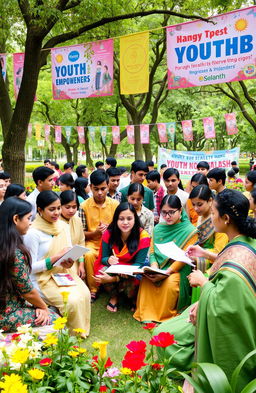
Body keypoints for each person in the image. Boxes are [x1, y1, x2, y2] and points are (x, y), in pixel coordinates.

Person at [155, 189, 256, 392]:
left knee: (161, 335)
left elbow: (226, 308)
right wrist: (206, 255)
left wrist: (202, 282)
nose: (211, 217)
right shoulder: (246, 240)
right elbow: (227, 265)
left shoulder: (235, 257)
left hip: (226, 325)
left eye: (214, 213)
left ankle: (196, 364)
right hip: (211, 306)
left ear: (225, 218)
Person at [24, 191, 90, 337]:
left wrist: (68, 260)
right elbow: (29, 268)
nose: (57, 213)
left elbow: (65, 251)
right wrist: (54, 259)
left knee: (84, 293)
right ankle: (72, 334)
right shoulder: (33, 232)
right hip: (41, 279)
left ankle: (81, 329)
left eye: (59, 208)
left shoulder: (62, 226)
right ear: (40, 210)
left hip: (61, 272)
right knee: (72, 300)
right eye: (52, 209)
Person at [133, 195, 198, 323]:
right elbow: (152, 251)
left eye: (171, 212)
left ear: (180, 211)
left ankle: (166, 316)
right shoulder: (158, 228)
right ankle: (146, 313)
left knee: (169, 284)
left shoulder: (190, 231)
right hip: (159, 268)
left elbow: (184, 257)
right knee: (147, 280)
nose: (167, 216)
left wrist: (166, 273)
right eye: (164, 212)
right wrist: (155, 268)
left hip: (179, 270)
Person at [0, 197, 58, 333]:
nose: (30, 223)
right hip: (6, 313)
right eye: (28, 218)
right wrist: (43, 307)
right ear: (15, 219)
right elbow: (28, 292)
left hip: (8, 303)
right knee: (54, 319)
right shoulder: (13, 253)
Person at [94, 202, 150, 312]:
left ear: (135, 219)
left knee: (131, 289)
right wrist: (109, 259)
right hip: (115, 267)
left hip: (132, 270)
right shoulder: (109, 234)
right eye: (121, 219)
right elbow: (103, 258)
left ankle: (133, 298)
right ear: (116, 220)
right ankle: (114, 296)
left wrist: (114, 278)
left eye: (129, 219)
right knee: (101, 272)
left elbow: (138, 264)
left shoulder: (143, 237)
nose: (125, 223)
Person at [78, 170, 119, 301]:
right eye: (96, 189)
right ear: (90, 187)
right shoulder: (84, 206)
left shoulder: (115, 205)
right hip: (92, 243)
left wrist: (110, 229)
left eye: (103, 188)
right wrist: (96, 232)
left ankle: (113, 286)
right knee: (89, 255)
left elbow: (122, 228)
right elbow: (81, 234)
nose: (100, 193)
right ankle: (93, 289)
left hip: (111, 243)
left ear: (108, 186)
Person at [189, 185, 228, 303]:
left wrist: (200, 255)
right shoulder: (200, 218)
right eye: (193, 204)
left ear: (210, 201)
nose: (195, 209)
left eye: (199, 204)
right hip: (200, 254)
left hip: (214, 262)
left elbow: (219, 253)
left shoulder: (218, 219)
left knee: (201, 275)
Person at [60, 190, 86, 279]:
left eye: (74, 207)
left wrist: (81, 264)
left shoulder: (77, 220)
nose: (71, 210)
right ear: (60, 206)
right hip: (59, 261)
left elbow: (81, 243)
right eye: (67, 207)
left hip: (75, 260)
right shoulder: (55, 221)